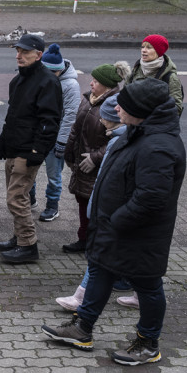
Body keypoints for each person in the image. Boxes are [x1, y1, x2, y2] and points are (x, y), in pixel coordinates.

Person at [42, 79, 186, 366]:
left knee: (147, 286)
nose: (117, 107)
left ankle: (148, 344)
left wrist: (116, 220)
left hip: (139, 234)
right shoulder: (138, 133)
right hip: (115, 228)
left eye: (126, 105)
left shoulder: (158, 146)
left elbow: (151, 198)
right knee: (101, 272)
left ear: (143, 111)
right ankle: (82, 329)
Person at [55, 93, 130, 311]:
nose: (102, 119)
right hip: (112, 210)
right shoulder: (119, 139)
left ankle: (82, 304)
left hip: (113, 211)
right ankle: (140, 292)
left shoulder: (119, 142)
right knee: (118, 256)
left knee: (100, 256)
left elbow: (114, 180)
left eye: (105, 117)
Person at [0, 34, 62, 265]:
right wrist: (3, 140)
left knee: (17, 198)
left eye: (24, 52)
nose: (19, 55)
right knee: (16, 197)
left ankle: (28, 245)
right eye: (17, 51)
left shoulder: (47, 82)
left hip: (28, 151)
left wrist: (37, 152)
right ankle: (19, 237)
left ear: (38, 55)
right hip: (14, 147)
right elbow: (13, 115)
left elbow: (49, 122)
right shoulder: (18, 80)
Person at [60, 62, 129, 253]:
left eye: (96, 81)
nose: (91, 84)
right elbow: (76, 127)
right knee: (82, 200)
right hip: (81, 162)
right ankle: (84, 239)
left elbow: (119, 136)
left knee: (96, 204)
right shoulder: (88, 99)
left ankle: (95, 243)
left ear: (107, 85)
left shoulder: (114, 104)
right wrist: (69, 153)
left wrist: (95, 158)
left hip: (96, 165)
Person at [27, 44, 81, 222]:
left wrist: (62, 142)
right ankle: (30, 199)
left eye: (52, 72)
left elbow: (70, 116)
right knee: (29, 170)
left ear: (59, 71)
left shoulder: (71, 86)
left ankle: (52, 206)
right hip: (38, 135)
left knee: (54, 176)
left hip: (55, 138)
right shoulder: (41, 77)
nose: (48, 76)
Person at [126, 34, 183, 115]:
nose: (143, 50)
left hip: (156, 125)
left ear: (158, 51)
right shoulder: (135, 70)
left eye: (149, 47)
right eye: (142, 47)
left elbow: (176, 108)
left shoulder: (170, 77)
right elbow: (124, 95)